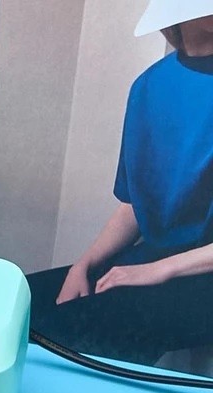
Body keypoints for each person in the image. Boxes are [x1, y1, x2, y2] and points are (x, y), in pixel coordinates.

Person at [29, 0, 213, 367]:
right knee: (18, 304)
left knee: (61, 334)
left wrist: (156, 271)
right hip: (157, 259)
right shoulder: (149, 86)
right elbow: (135, 204)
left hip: (197, 276)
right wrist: (83, 265)